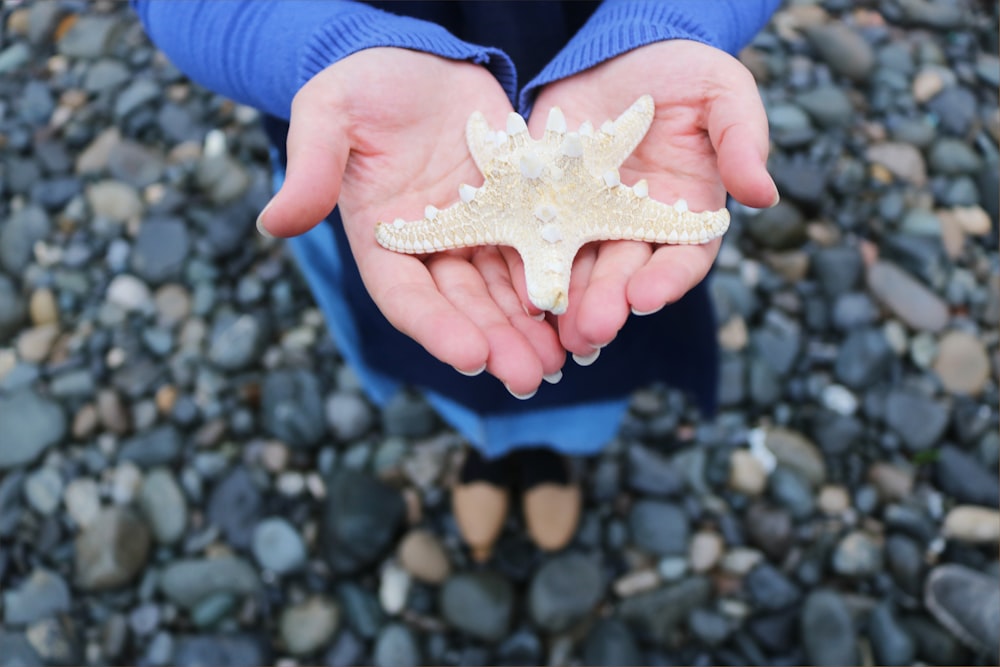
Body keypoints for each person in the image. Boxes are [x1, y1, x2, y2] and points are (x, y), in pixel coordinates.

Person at [132, 0, 781, 560]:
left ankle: (550, 451)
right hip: (379, 155)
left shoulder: (600, 174)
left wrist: (664, 24)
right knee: (446, 325)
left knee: (593, 323)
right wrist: (325, 49)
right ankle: (483, 448)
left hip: (577, 159)